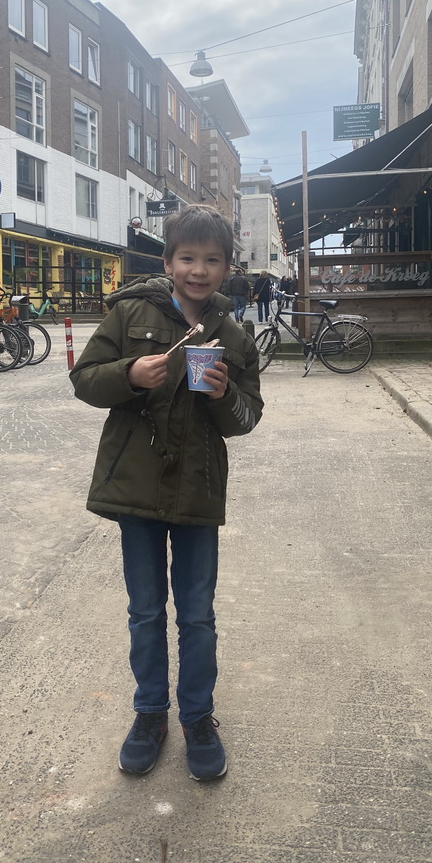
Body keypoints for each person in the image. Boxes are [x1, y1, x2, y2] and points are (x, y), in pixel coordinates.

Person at [70, 205, 263, 782]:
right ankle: (150, 713)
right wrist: (130, 374)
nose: (198, 270)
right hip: (138, 490)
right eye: (188, 258)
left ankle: (197, 717)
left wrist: (223, 395)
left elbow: (247, 417)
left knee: (198, 615)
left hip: (199, 493)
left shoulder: (233, 335)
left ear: (227, 267)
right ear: (168, 261)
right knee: (146, 611)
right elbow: (84, 379)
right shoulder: (129, 313)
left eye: (211, 260)